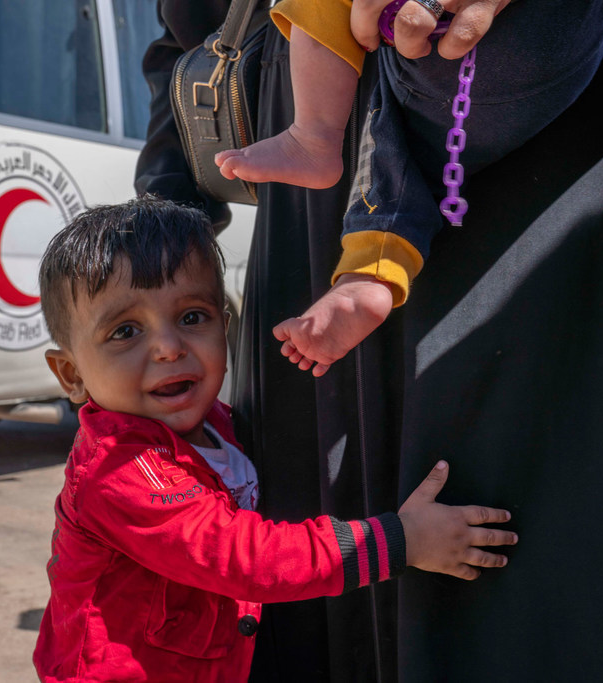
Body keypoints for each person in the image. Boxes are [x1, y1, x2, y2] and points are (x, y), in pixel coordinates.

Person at [137, 0, 603, 681]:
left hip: (558, 140)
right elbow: (193, 27)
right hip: (320, 167)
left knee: (534, 573)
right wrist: (158, 232)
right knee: (326, 570)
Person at [30, 196, 518, 682]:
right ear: (71, 374)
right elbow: (247, 559)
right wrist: (402, 540)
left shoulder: (217, 424)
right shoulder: (120, 469)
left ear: (227, 324)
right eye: (126, 331)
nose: (168, 347)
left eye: (192, 317)